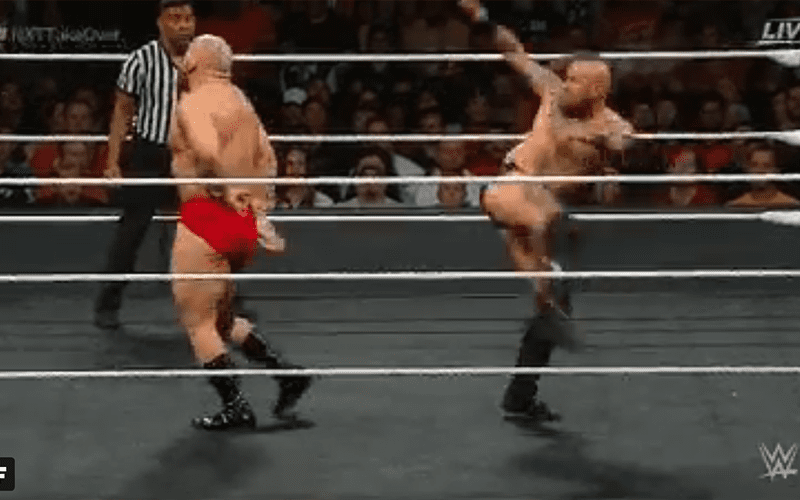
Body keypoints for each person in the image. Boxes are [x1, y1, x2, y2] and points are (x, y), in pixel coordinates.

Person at [460, 0, 634, 422]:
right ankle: (546, 299)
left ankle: (520, 395)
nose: (566, 84)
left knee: (555, 306)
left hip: (544, 207)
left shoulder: (612, 126)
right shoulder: (552, 94)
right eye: (566, 77)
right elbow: (514, 52)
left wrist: (606, 153)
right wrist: (483, 18)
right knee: (550, 239)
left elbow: (625, 145)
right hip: (514, 191)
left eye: (574, 80)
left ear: (595, 88)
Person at [170, 34, 312, 430]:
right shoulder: (242, 103)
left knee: (197, 322)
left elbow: (207, 149)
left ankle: (235, 405)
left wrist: (226, 187)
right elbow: (267, 158)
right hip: (241, 221)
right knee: (221, 318)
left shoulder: (195, 101)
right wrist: (260, 213)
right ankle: (285, 374)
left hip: (207, 215)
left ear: (194, 64)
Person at [93, 0, 196, 329]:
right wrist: (112, 161)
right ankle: (108, 302)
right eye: (175, 18)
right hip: (150, 152)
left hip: (192, 156)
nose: (183, 25)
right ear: (160, 22)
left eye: (188, 18)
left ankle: (224, 303)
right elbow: (122, 112)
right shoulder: (141, 59)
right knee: (132, 230)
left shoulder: (206, 59)